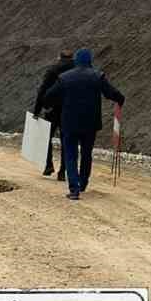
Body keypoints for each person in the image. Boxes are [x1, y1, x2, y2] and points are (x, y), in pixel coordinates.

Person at [41, 47, 124, 200]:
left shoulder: (64, 78)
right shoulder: (97, 76)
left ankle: (74, 189)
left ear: (76, 60)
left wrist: (50, 105)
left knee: (71, 155)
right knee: (86, 153)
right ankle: (83, 182)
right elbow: (111, 93)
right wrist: (120, 99)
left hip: (69, 123)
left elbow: (48, 97)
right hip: (90, 124)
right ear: (89, 61)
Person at [32, 49, 73, 179]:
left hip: (52, 110)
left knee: (46, 138)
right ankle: (63, 171)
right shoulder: (76, 71)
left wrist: (37, 110)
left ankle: (49, 165)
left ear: (59, 57)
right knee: (66, 140)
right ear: (72, 58)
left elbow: (42, 90)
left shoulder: (53, 70)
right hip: (69, 110)